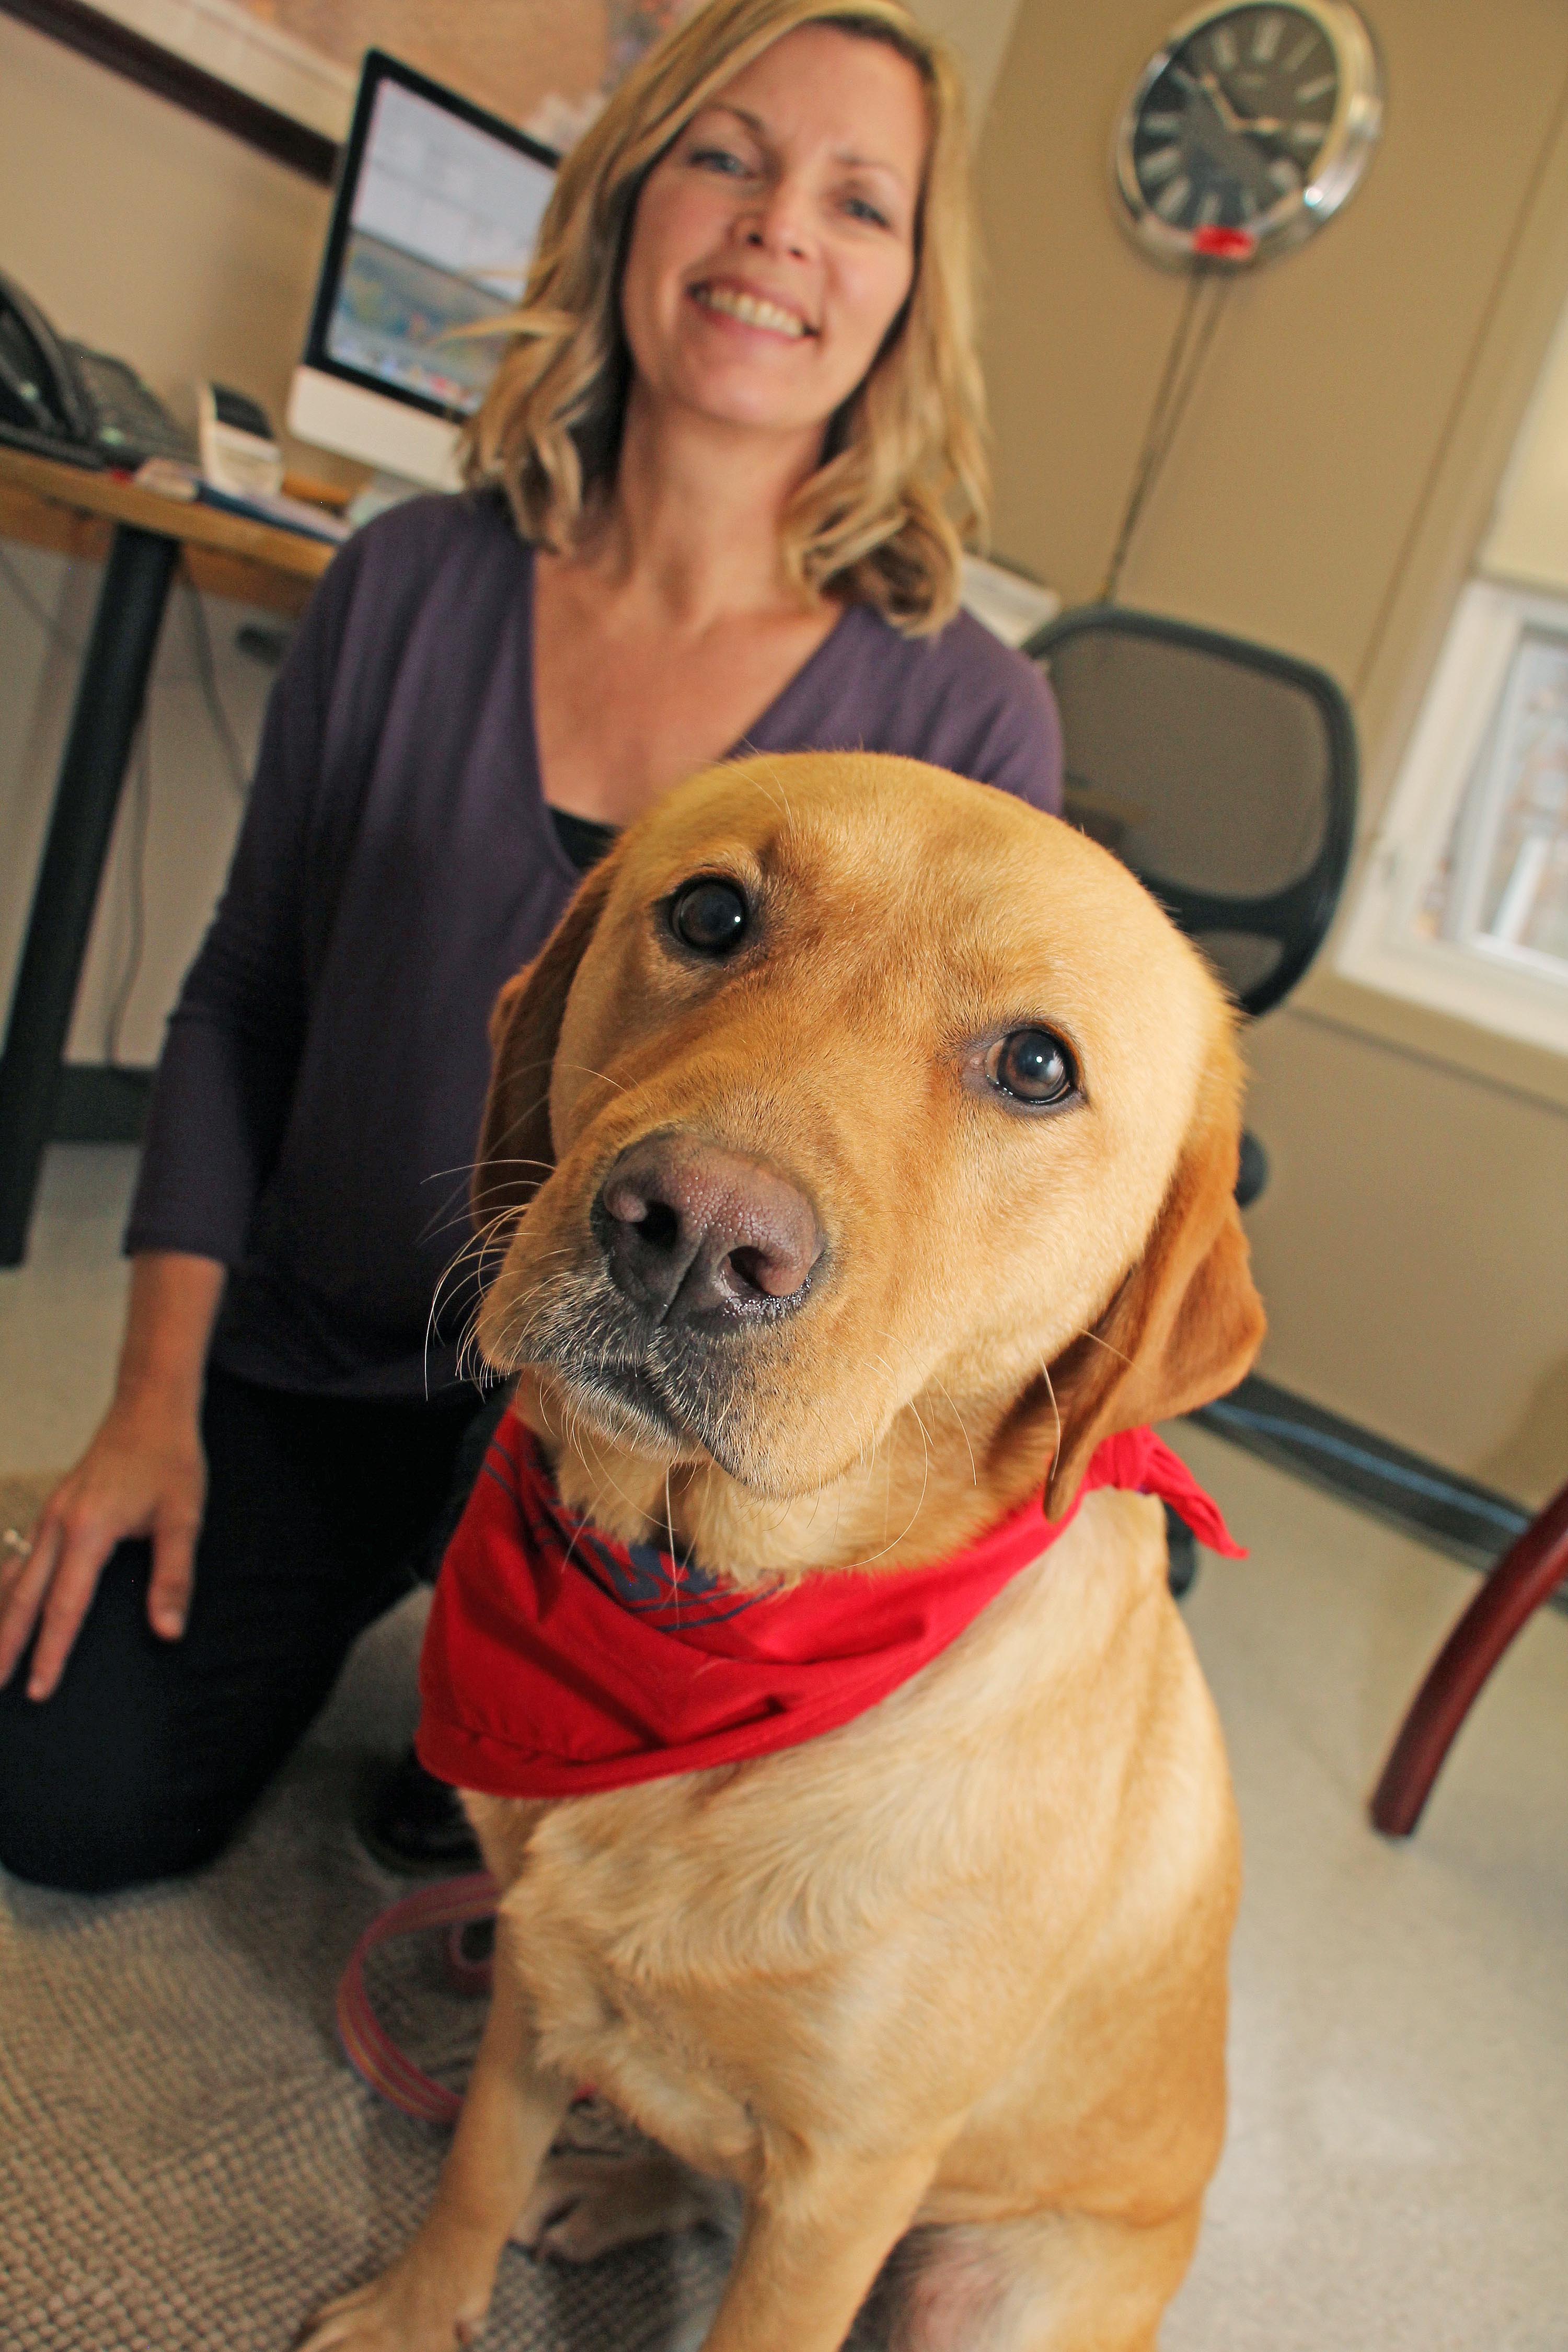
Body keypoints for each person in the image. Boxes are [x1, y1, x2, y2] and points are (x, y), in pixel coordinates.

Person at [0, 0, 1062, 1895]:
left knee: (527, 1849)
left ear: (909, 294)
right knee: (61, 1794)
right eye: (726, 156)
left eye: (859, 201)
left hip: (678, 1427)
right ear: (632, 196)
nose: (777, 230)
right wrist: (146, 1409)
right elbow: (244, 1001)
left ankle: (484, 1705)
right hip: (330, 1346)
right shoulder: (408, 578)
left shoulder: (968, 716)